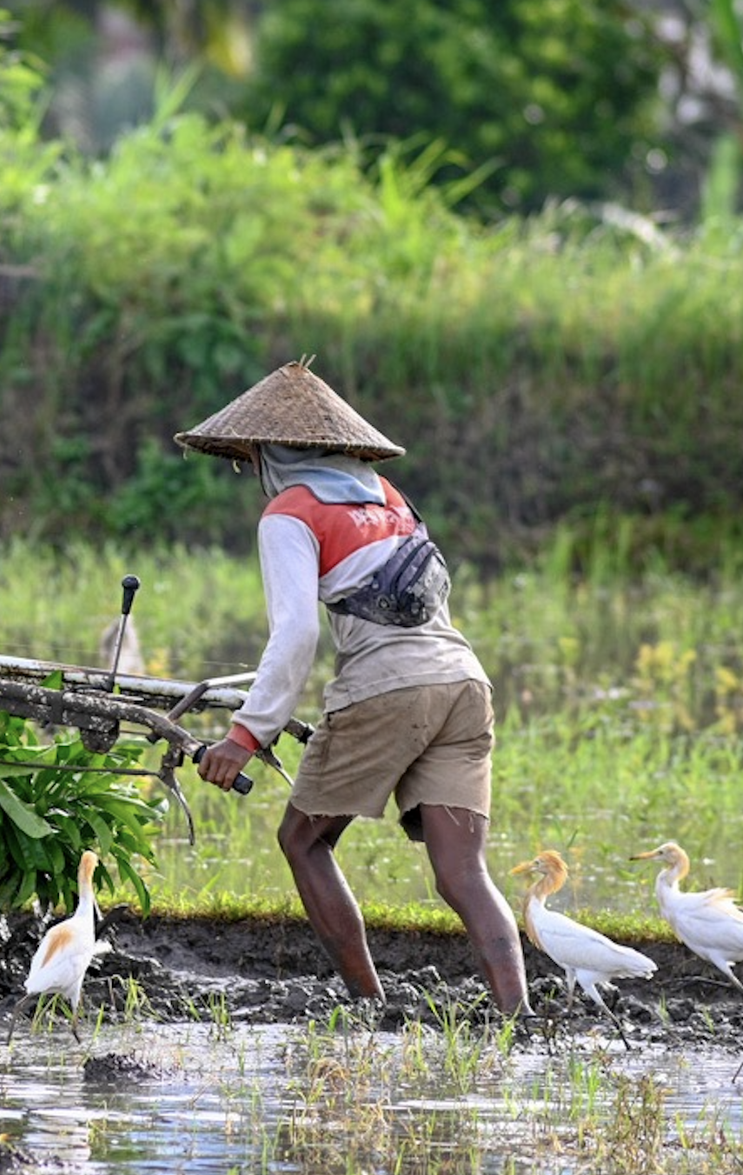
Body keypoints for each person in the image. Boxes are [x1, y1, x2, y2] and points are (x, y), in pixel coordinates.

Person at [181, 361, 528, 1016]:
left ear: (267, 455)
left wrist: (243, 737)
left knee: (303, 841)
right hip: (463, 685)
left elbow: (294, 636)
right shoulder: (390, 499)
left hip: (390, 691)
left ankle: (372, 1008)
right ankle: (519, 1017)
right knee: (463, 874)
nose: (250, 473)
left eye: (247, 462)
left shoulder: (289, 513)